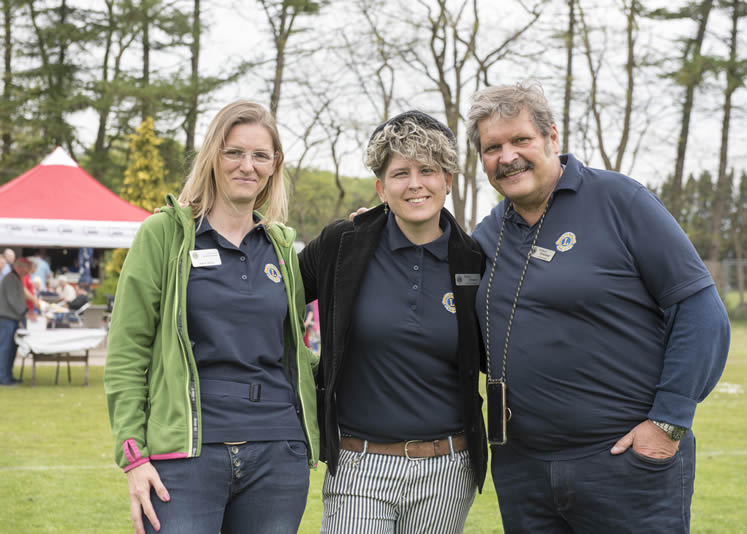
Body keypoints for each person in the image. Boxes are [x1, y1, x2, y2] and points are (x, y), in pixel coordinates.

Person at [466, 83, 731, 533]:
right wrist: (374, 226)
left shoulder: (621, 201)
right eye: (492, 147)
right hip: (523, 471)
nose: (507, 156)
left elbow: (700, 311)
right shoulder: (487, 236)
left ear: (552, 136)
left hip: (623, 465)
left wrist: (668, 422)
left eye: (520, 140)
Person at [104, 100, 319, 534]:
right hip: (185, 458)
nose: (248, 166)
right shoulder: (163, 235)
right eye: (234, 152)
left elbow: (294, 350)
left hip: (277, 454)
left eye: (261, 155)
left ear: (275, 165)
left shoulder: (281, 247)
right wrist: (134, 456)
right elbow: (127, 353)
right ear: (212, 157)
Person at [299, 111, 487, 534]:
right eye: (401, 173)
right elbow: (269, 298)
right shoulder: (342, 244)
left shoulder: (473, 259)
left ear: (448, 180)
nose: (415, 183)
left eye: (428, 170)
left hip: (447, 470)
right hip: (359, 466)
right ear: (381, 187)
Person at [0, 257, 33, 385]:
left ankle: (8, 375)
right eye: (26, 269)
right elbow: (13, 300)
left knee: (11, 349)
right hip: (7, 319)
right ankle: (3, 377)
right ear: (19, 267)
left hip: (12, 319)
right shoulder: (10, 279)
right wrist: (25, 312)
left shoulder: (15, 278)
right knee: (5, 349)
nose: (28, 272)